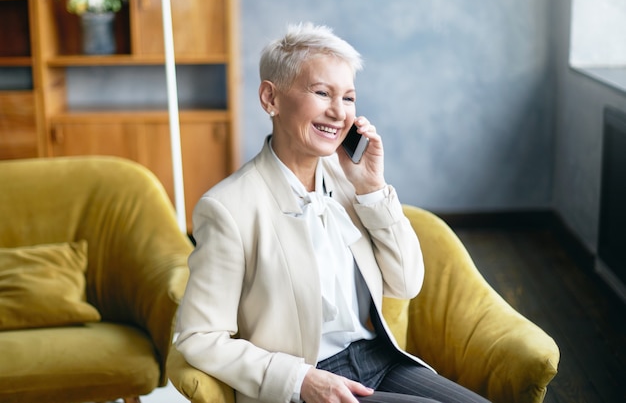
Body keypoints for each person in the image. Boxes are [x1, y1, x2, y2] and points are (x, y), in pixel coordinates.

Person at [175, 22, 491, 403]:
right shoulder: (227, 208)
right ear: (270, 98)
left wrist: (372, 187)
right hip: (306, 382)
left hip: (379, 359)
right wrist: (300, 380)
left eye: (349, 98)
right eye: (322, 92)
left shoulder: (350, 184)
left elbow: (406, 284)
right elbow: (199, 336)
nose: (339, 113)